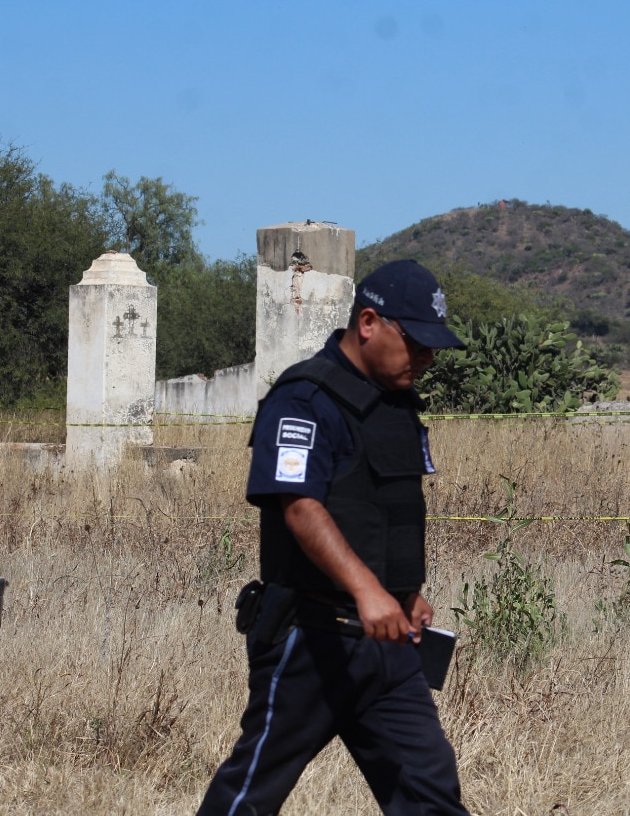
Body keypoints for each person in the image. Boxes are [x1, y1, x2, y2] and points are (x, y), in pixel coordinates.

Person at [198, 260, 469, 816]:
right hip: (313, 639)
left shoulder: (394, 407)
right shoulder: (303, 400)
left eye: (433, 347)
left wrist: (403, 591)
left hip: (389, 646)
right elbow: (300, 507)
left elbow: (382, 512)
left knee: (431, 791)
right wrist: (368, 590)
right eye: (415, 343)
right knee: (251, 795)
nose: (427, 359)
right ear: (369, 323)